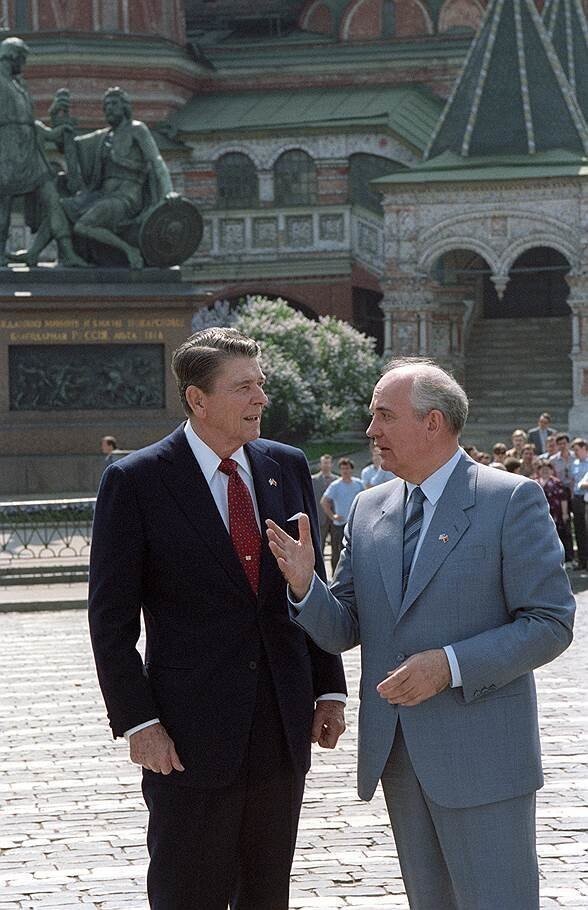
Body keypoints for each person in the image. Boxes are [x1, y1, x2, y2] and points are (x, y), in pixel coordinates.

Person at [266, 358, 575, 910]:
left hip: (484, 758)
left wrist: (450, 665)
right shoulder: (367, 508)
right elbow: (346, 628)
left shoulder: (510, 499)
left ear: (433, 423)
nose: (370, 431)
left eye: (383, 416)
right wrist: (304, 587)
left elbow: (551, 622)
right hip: (400, 757)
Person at [88, 327, 347, 909]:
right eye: (243, 388)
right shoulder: (136, 481)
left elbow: (311, 582)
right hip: (186, 735)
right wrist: (138, 723)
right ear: (197, 399)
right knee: (189, 890)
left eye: (261, 385)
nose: (260, 399)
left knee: (266, 892)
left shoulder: (287, 465)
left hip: (281, 726)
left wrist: (329, 689)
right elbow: (110, 621)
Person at [63, 86, 176, 268]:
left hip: (126, 197)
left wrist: (169, 191)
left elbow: (156, 161)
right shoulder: (104, 136)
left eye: (114, 104)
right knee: (61, 207)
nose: (109, 108)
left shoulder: (137, 129)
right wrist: (60, 122)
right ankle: (43, 254)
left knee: (82, 226)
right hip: (101, 196)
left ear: (125, 107)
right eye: (106, 105)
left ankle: (130, 250)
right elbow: (71, 145)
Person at [0, 36, 85, 267]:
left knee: (52, 200)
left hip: (29, 152)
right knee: (3, 206)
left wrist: (53, 129)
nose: (24, 64)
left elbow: (28, 122)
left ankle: (66, 252)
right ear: (12, 56)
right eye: (22, 58)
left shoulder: (20, 85)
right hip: (6, 152)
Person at [320, 458, 364, 571]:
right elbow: (324, 501)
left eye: (347, 468)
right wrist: (332, 516)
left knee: (355, 552)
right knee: (337, 551)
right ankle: (335, 577)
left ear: (351, 470)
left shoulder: (359, 484)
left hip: (355, 524)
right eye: (343, 469)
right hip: (339, 524)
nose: (345, 471)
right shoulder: (335, 485)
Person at [311, 453, 337, 574]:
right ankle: (320, 575)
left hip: (335, 519)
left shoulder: (337, 480)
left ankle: (335, 574)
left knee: (336, 549)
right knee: (318, 548)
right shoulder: (313, 480)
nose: (326, 465)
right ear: (320, 464)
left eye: (328, 463)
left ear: (332, 464)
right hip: (319, 518)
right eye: (324, 463)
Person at [571, 438, 588, 570]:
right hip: (577, 498)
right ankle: (582, 560)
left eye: (577, 450)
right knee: (579, 530)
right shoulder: (574, 463)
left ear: (584, 448)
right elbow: (573, 481)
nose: (575, 452)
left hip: (586, 498)